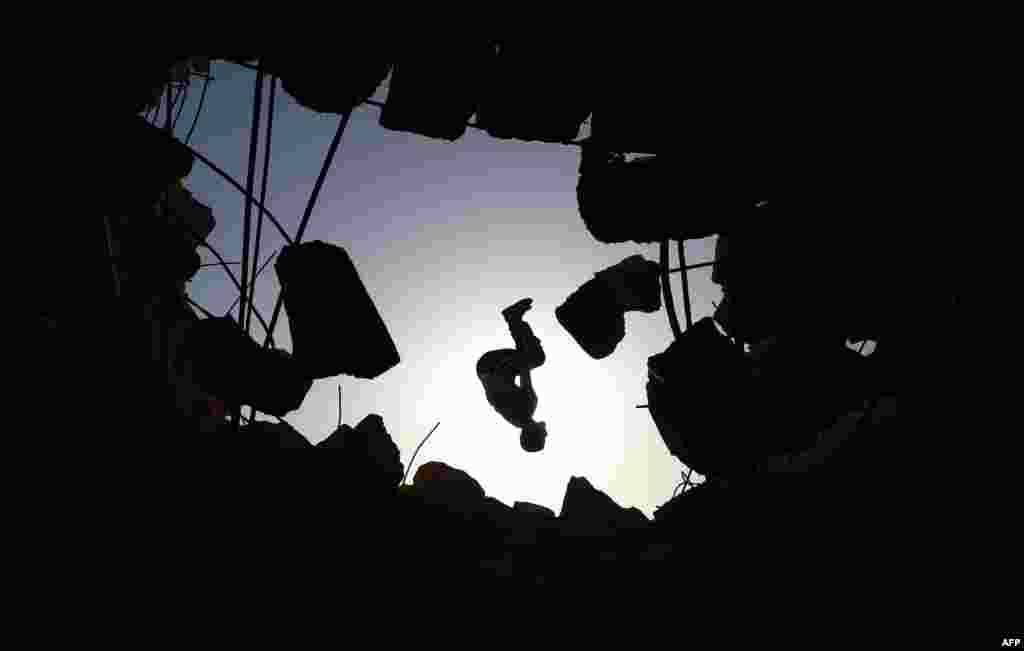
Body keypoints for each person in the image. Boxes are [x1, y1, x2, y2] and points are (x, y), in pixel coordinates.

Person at [476, 298, 548, 452]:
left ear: (535, 432)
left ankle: (513, 318)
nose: (547, 433)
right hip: (486, 369)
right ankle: (514, 319)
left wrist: (527, 343)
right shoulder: (516, 420)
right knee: (529, 354)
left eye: (544, 436)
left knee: (536, 357)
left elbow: (524, 367)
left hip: (491, 365)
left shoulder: (527, 406)